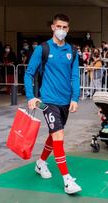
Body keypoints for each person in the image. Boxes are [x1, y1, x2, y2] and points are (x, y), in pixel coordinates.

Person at [24, 13, 81, 194]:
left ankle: (41, 163)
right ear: (52, 27)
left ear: (68, 29)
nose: (62, 30)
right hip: (47, 101)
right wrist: (31, 97)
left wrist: (75, 98)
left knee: (53, 134)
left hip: (65, 101)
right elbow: (29, 73)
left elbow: (75, 76)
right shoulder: (42, 49)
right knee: (58, 135)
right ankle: (67, 180)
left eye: (65, 27)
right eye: (59, 27)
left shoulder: (72, 51)